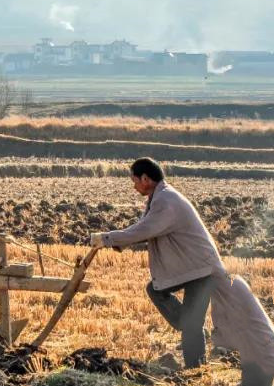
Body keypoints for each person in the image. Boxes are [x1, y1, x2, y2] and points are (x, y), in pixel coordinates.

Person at [89, 157, 224, 369]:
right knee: (173, 305)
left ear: (145, 178)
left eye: (134, 181)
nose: (134, 186)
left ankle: (195, 366)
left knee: (167, 300)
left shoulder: (165, 201)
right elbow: (145, 229)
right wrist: (113, 241)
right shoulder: (160, 197)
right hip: (194, 267)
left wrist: (107, 238)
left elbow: (144, 230)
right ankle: (193, 349)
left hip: (201, 269)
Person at [211, 273, 274, 386]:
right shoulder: (235, 283)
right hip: (261, 350)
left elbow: (224, 332)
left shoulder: (225, 292)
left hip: (260, 355)